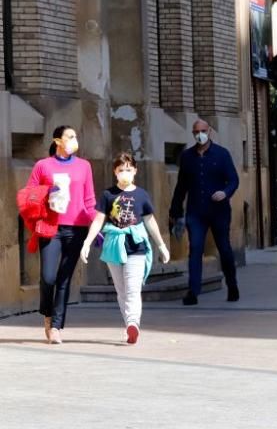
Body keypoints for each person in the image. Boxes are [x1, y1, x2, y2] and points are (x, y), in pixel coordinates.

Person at [80, 153, 170, 345]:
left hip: (136, 246)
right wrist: (87, 242)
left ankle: (133, 323)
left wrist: (161, 245)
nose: (125, 173)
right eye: (121, 170)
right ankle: (129, 325)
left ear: (135, 170)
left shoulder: (142, 195)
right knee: (121, 290)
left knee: (132, 289)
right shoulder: (108, 194)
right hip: (114, 247)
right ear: (115, 172)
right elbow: (98, 219)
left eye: (128, 169)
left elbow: (149, 221)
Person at [25, 126, 96, 344]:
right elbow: (30, 195)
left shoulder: (84, 166)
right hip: (51, 227)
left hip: (77, 228)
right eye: (70, 137)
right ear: (58, 141)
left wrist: (98, 225)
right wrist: (47, 195)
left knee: (64, 278)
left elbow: (89, 201)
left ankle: (56, 326)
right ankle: (47, 314)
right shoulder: (43, 166)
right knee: (48, 277)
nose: (75, 140)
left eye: (76, 136)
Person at [169, 119, 240, 305]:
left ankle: (232, 285)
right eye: (196, 131)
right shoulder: (187, 157)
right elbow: (181, 186)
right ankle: (193, 291)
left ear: (209, 132)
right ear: (193, 133)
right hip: (196, 212)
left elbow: (233, 180)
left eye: (203, 130)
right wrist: (175, 211)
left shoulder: (222, 154)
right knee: (195, 249)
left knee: (224, 248)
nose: (200, 134)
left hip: (219, 212)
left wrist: (224, 193)